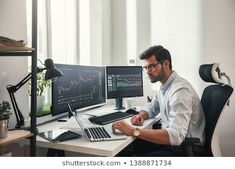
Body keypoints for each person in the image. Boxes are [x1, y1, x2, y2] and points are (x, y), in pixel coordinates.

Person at [112, 45, 205, 156]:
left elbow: (176, 136)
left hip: (184, 149)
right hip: (172, 144)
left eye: (151, 66)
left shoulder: (180, 91)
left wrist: (133, 131)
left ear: (165, 64)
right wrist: (141, 115)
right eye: (145, 68)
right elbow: (152, 108)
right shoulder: (165, 86)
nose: (147, 72)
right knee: (126, 150)